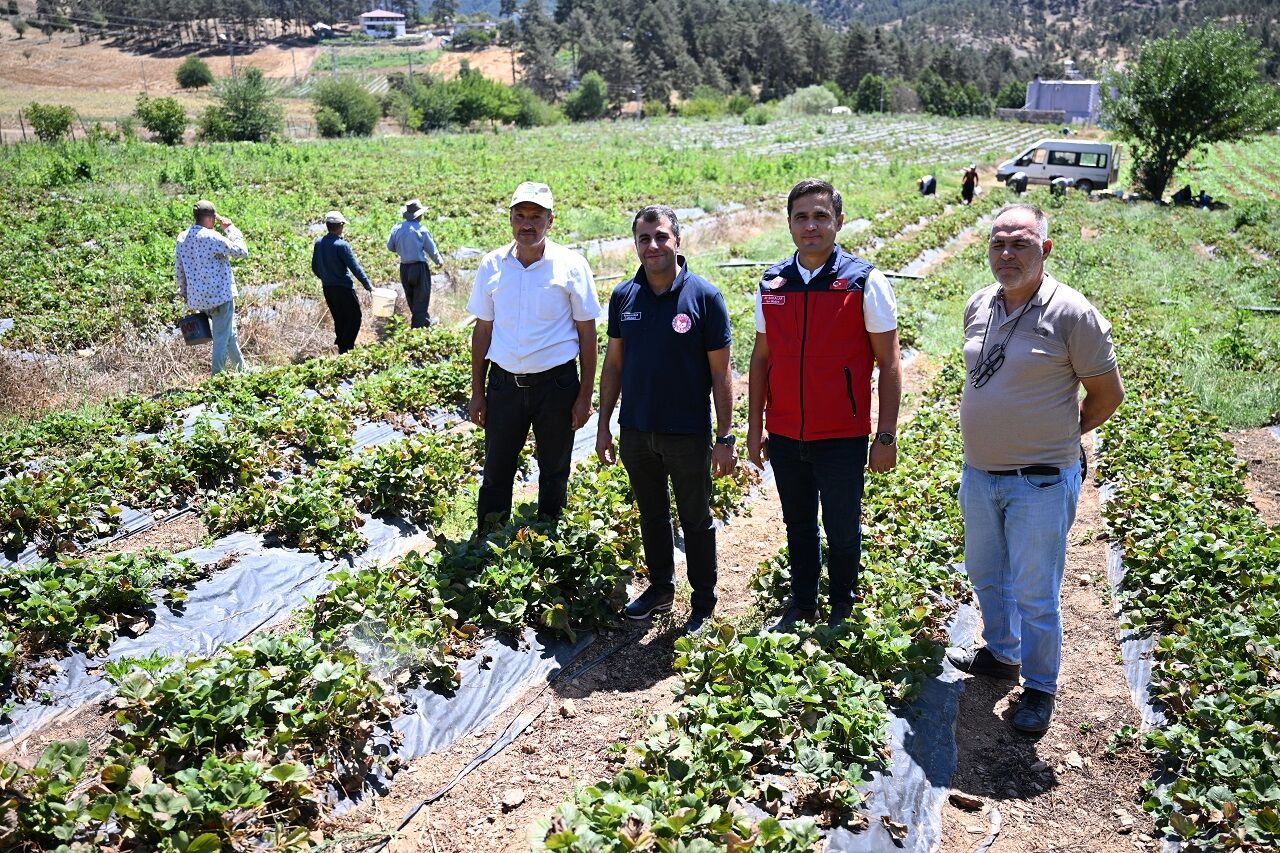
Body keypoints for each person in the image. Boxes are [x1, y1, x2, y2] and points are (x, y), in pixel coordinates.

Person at [948, 203, 1124, 735]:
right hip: (980, 473)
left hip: (1041, 480)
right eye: (998, 243)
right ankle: (1002, 653)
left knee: (1035, 589)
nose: (1007, 253)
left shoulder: (1072, 313)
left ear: (1044, 250)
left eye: (1020, 243)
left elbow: (1106, 394)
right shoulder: (980, 304)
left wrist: (1063, 437)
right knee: (985, 573)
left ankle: (1040, 687)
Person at [747, 178, 902, 630]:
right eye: (801, 217)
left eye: (820, 216)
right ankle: (802, 600)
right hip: (786, 430)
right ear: (790, 224)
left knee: (841, 524)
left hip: (842, 433)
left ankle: (842, 603)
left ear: (838, 221)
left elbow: (889, 363)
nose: (810, 226)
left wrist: (885, 435)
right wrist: (755, 429)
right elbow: (761, 360)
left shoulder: (864, 281)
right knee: (797, 522)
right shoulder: (773, 281)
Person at [596, 205, 736, 636]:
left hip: (687, 432)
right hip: (637, 429)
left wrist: (725, 436)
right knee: (651, 514)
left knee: (695, 518)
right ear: (635, 244)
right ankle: (660, 589)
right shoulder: (624, 296)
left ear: (677, 240)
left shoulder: (704, 297)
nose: (653, 246)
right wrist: (603, 424)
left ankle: (703, 601)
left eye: (660, 237)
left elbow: (721, 373)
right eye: (644, 238)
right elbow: (614, 364)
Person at [467, 182, 600, 532]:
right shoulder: (491, 265)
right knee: (497, 468)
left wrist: (585, 396)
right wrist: (477, 391)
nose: (527, 224)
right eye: (520, 216)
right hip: (504, 383)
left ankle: (548, 535)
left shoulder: (571, 266)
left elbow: (588, 335)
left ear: (550, 221)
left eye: (536, 217)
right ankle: (489, 537)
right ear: (510, 219)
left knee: (555, 467)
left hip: (556, 384)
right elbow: (482, 330)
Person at [175, 199, 248, 374]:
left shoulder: (182, 238)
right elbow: (242, 251)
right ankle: (217, 379)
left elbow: (179, 269)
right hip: (220, 297)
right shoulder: (211, 236)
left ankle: (243, 371)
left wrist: (185, 293)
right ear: (210, 219)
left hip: (200, 300)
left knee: (229, 334)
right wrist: (230, 229)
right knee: (222, 339)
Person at [311, 210, 372, 354]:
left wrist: (326, 278)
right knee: (355, 317)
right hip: (343, 288)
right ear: (339, 226)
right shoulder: (341, 245)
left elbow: (315, 267)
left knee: (339, 317)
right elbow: (355, 267)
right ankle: (347, 347)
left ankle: (342, 346)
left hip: (328, 288)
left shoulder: (319, 243)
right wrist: (367, 285)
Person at [387, 199, 444, 328]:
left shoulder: (397, 228)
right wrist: (439, 261)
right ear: (419, 215)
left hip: (404, 268)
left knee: (412, 299)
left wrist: (403, 248)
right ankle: (416, 331)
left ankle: (425, 323)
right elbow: (431, 248)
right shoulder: (421, 229)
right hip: (419, 268)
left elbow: (390, 246)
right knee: (421, 301)